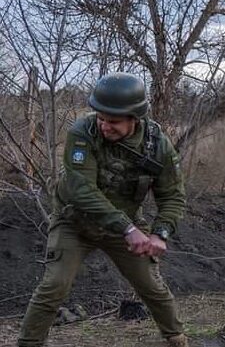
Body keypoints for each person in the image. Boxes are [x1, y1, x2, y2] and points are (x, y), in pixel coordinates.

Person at [18, 72, 188, 347]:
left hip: (125, 228)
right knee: (54, 286)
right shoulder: (82, 134)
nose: (104, 126)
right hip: (75, 223)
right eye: (101, 118)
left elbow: (173, 196)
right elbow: (81, 191)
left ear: (135, 118)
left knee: (152, 287)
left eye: (113, 121)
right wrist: (128, 229)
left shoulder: (158, 146)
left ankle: (177, 340)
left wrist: (160, 234)